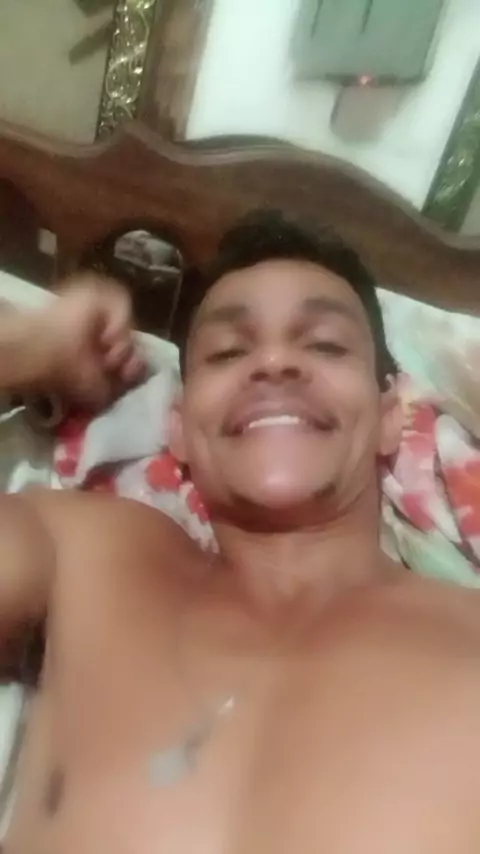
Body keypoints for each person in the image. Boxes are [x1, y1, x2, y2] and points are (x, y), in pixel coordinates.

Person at [1, 209, 480, 854]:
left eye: (325, 345)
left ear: (392, 415)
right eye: (229, 352)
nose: (274, 362)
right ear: (178, 427)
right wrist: (24, 351)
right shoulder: (86, 553)